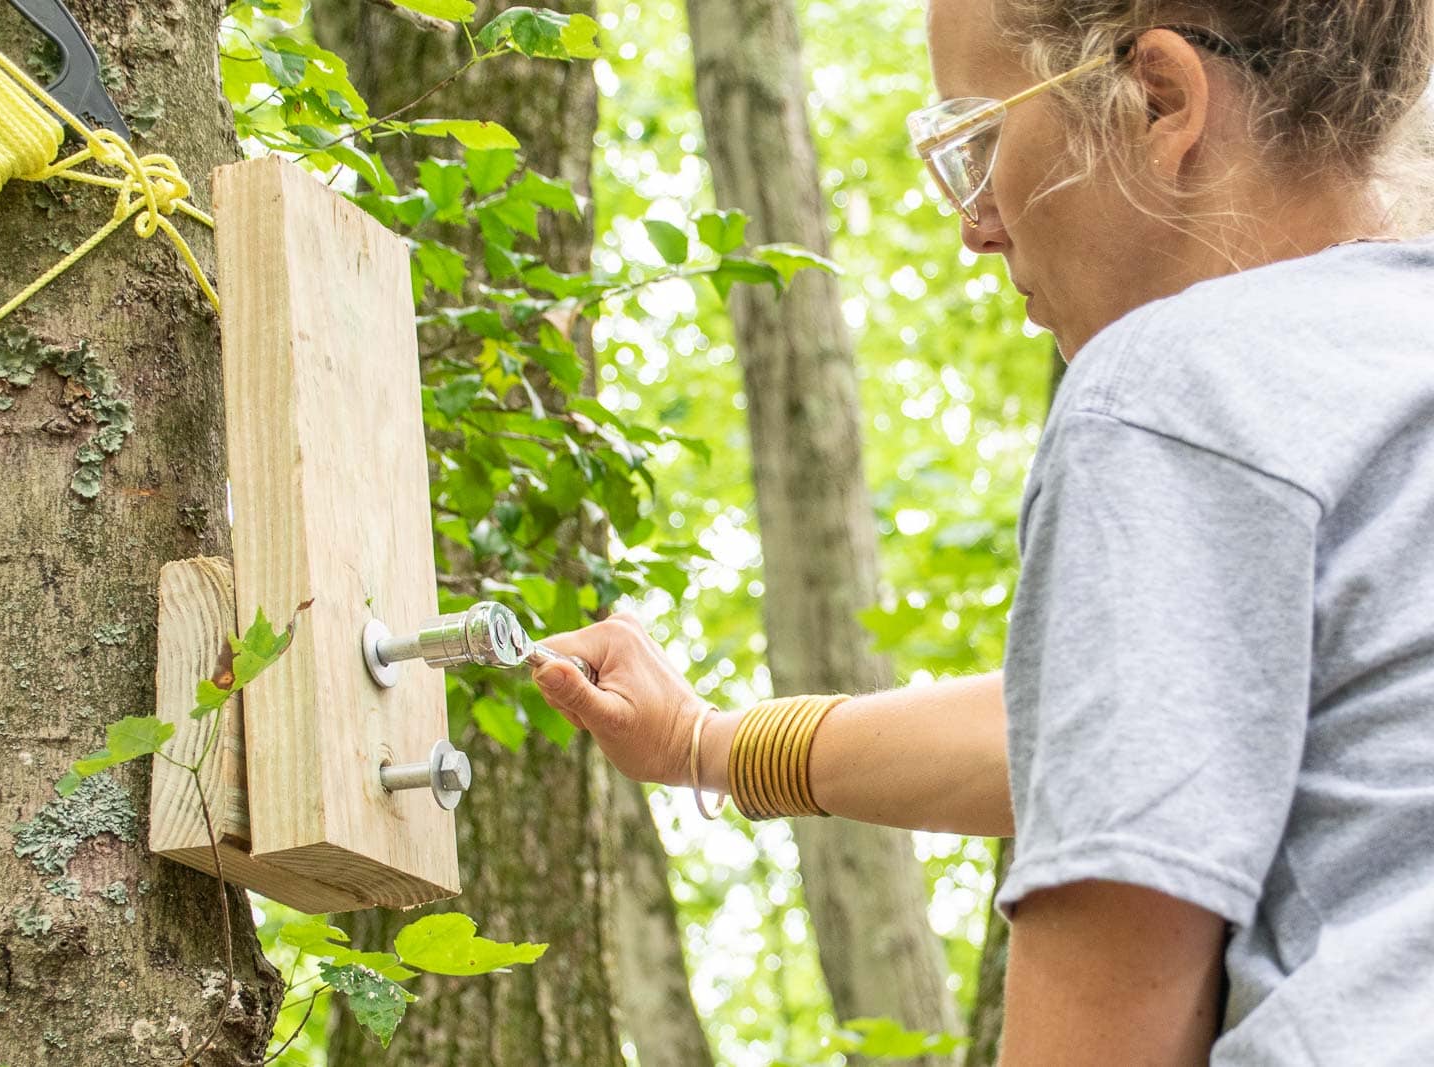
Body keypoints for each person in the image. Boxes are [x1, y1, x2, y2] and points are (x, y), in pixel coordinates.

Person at [530, 1, 1434, 1063]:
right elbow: (1117, 730)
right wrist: (703, 744)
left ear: (1158, 100)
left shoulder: (1174, 388)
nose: (975, 221)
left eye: (977, 140)